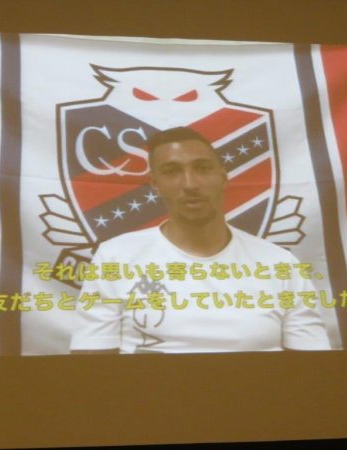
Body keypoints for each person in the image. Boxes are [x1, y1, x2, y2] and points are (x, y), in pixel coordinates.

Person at [70, 127, 330, 354]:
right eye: (172, 171)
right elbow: (91, 368)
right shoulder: (115, 258)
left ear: (223, 177)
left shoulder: (280, 263)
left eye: (202, 169)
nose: (190, 184)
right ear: (155, 184)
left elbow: (314, 371)